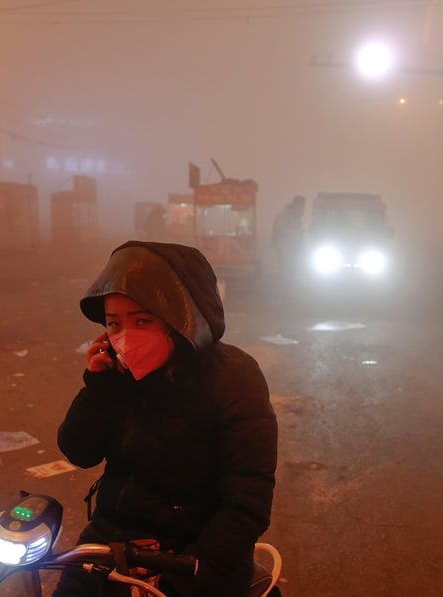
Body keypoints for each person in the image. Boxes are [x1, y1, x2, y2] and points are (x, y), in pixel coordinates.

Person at [55, 241, 278, 597]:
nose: (126, 337)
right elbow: (79, 451)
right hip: (109, 543)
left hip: (192, 559)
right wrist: (98, 387)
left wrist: (177, 580)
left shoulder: (233, 379)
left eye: (142, 320)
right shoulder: (118, 376)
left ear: (181, 319)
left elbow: (245, 509)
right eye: (114, 324)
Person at [270, 195, 305, 286]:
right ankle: (284, 293)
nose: (303, 209)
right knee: (285, 271)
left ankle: (289, 291)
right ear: (296, 204)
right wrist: (295, 233)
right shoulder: (283, 214)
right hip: (284, 247)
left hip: (292, 247)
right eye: (302, 206)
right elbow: (279, 229)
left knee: (291, 270)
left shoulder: (297, 215)